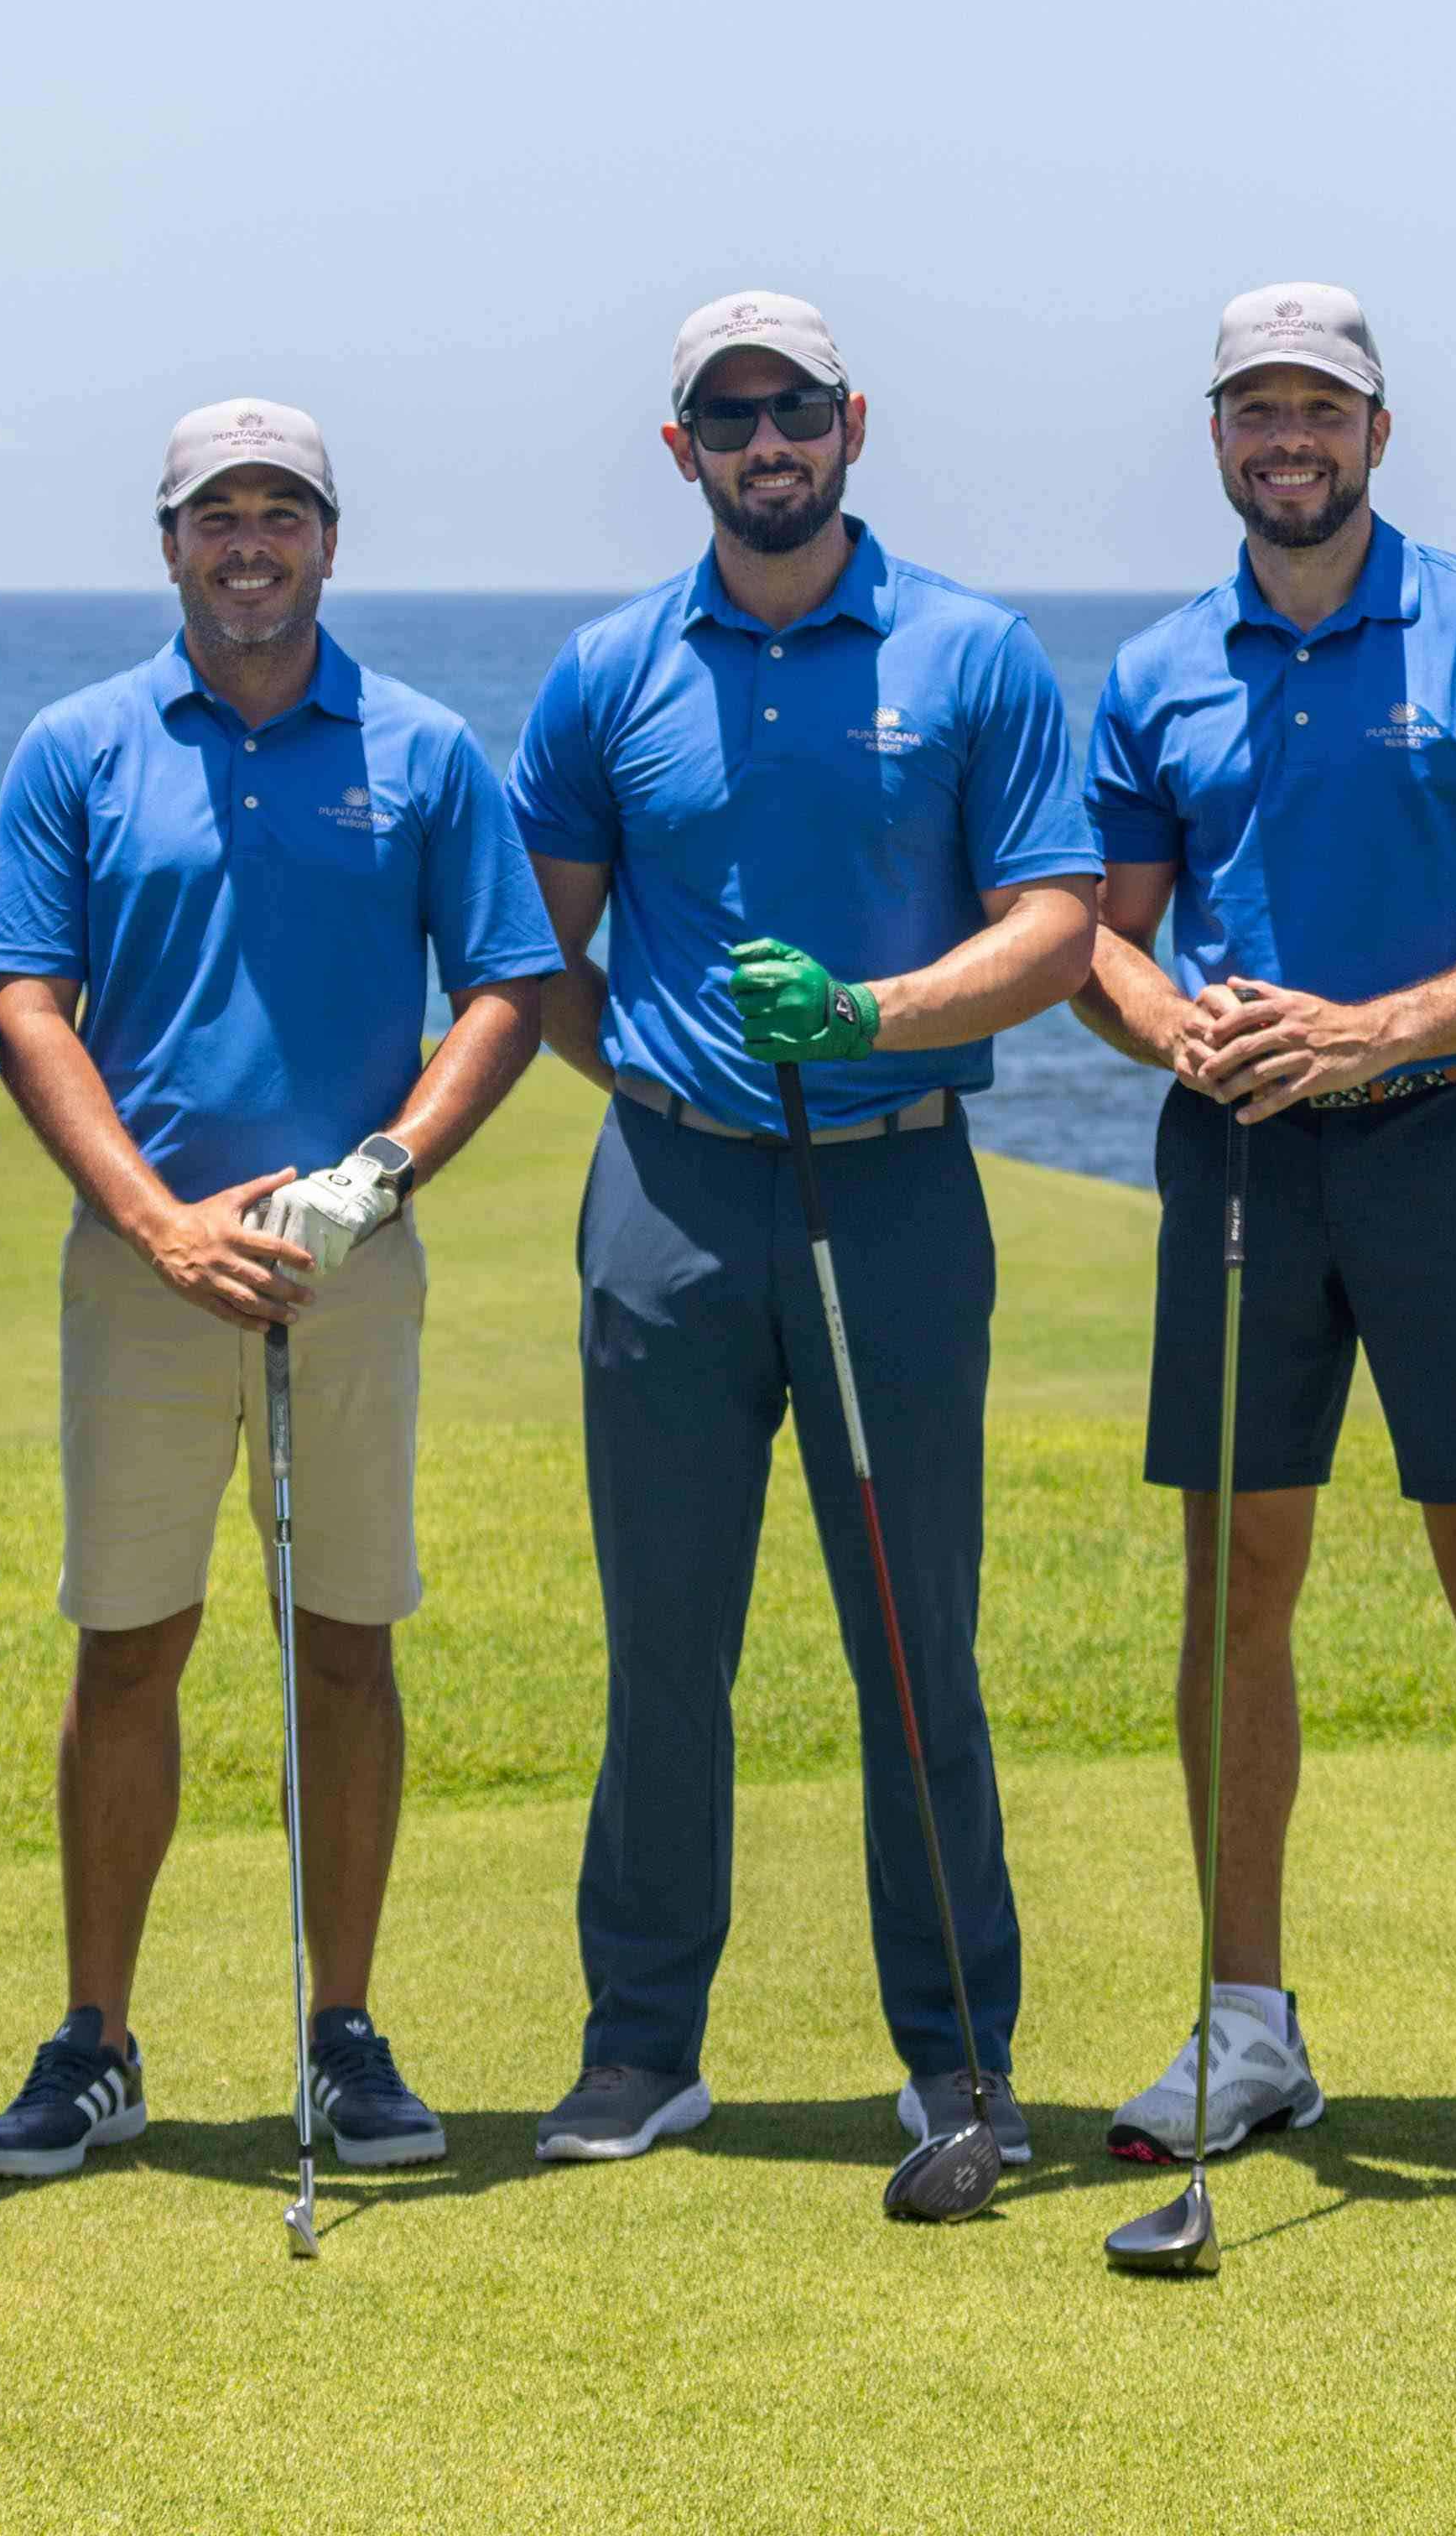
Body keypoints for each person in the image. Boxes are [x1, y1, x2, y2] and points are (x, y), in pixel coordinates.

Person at [505, 292, 1102, 2173]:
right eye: (729, 415)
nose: (766, 443)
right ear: (680, 446)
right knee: (662, 1642)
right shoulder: (607, 672)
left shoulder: (972, 652)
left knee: (915, 1642)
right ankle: (641, 2047)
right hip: (669, 1195)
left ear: (854, 421)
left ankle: (957, 2054)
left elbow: (1056, 925)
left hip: (895, 1183)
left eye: (796, 409)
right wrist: (662, 1072)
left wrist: (868, 1014)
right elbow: (536, 952)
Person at [1070, 284, 1456, 2190]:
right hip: (1239, 1161)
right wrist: (1181, 1029)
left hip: (1445, 1145)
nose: (1288, 439)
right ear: (1218, 438)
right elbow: (1102, 935)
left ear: (1377, 433)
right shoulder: (1160, 670)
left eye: (1320, 408)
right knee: (1234, 1585)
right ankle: (1247, 2025)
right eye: (1257, 410)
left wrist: (1375, 1030)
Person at [0, 400, 563, 2179]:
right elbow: (27, 1002)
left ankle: (342, 2033)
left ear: (328, 538)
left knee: (345, 1641)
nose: (248, 544)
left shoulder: (422, 748)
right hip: (142, 1262)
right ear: (168, 544)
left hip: (346, 1266)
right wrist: (154, 1220)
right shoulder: (77, 747)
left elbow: (507, 986)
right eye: (214, 514)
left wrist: (378, 1175)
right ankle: (96, 2039)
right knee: (127, 1643)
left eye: (279, 513)